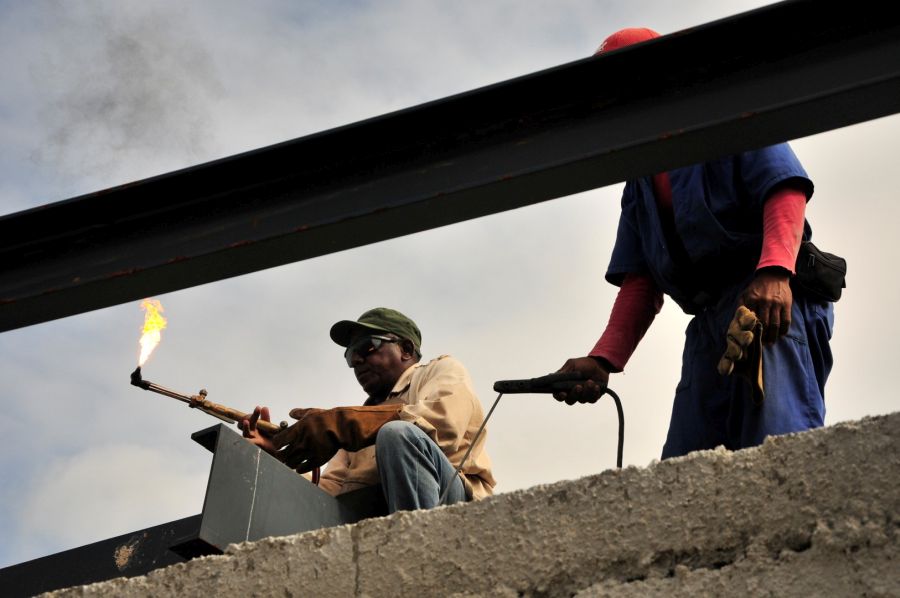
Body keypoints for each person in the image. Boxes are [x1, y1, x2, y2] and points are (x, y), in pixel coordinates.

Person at [555, 28, 835, 458]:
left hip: (767, 301)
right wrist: (604, 358)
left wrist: (776, 272)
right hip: (709, 325)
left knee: (778, 440)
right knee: (691, 461)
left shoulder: (723, 118)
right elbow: (642, 280)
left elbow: (784, 189)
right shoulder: (640, 183)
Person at [241, 307, 495, 512]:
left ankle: (421, 545)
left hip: (453, 502)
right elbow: (332, 491)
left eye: (367, 348)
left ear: (406, 350)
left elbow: (443, 426)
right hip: (381, 510)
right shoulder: (356, 420)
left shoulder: (439, 371)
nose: (358, 361)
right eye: (351, 356)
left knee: (398, 434)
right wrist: (274, 462)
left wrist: (346, 422)